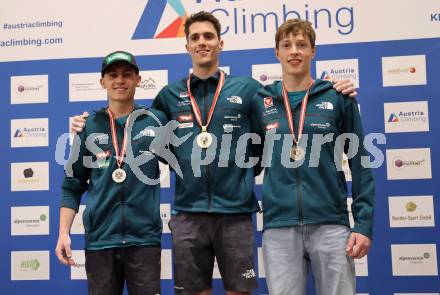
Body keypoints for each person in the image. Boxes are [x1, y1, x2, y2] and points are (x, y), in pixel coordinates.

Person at [70, 12, 357, 295]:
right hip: (188, 214)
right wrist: (86, 122)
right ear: (187, 47)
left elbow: (278, 122)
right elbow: (136, 128)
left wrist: (330, 88)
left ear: (221, 43)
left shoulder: (248, 90)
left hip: (235, 212)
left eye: (208, 36)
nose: (202, 42)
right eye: (195, 37)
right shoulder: (169, 96)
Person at [251, 19, 374, 295]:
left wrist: (363, 224)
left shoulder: (338, 97)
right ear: (277, 52)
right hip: (279, 226)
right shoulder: (260, 101)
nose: (294, 51)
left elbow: (361, 164)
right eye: (287, 45)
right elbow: (248, 159)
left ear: (313, 51)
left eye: (302, 45)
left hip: (331, 224)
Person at [55, 51, 167, 295]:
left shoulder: (155, 121)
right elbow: (72, 185)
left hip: (144, 241)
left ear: (138, 80)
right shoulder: (88, 126)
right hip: (101, 242)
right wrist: (63, 233)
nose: (120, 80)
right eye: (113, 75)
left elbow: (186, 161)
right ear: (102, 82)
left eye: (127, 74)